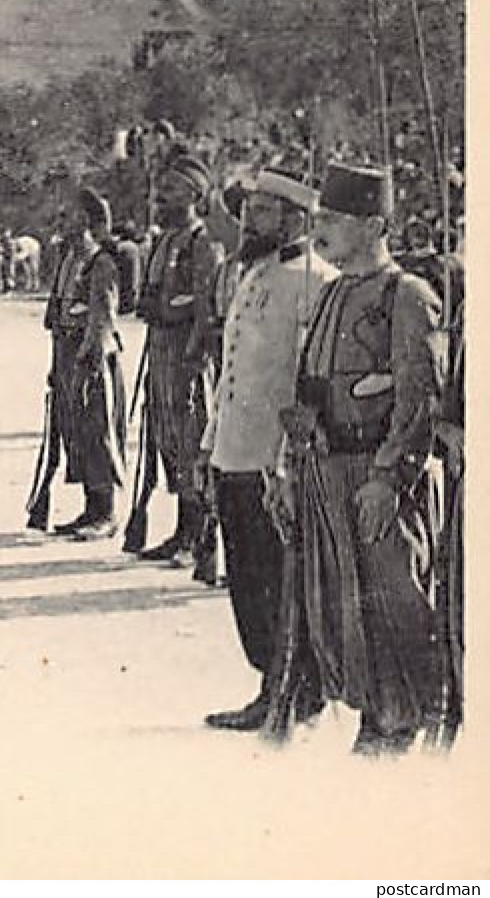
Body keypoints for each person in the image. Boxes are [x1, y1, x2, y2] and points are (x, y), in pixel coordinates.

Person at [269, 162, 444, 754]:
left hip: (372, 476)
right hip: (323, 470)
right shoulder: (330, 292)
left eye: (334, 221)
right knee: (339, 606)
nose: (320, 232)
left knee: (394, 601)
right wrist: (290, 472)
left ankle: (401, 725)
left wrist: (387, 481)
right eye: (319, 220)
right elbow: (308, 386)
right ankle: (376, 715)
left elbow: (418, 402)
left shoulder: (408, 296)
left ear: (373, 226)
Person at [198, 169, 337, 731]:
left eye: (260, 211)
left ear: (294, 220)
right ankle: (269, 681)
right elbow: (232, 372)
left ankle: (296, 688)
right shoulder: (250, 274)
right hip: (234, 451)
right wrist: (211, 444)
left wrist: (286, 459)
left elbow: (308, 382)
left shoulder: (315, 282)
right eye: (248, 209)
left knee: (281, 580)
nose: (247, 220)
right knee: (247, 579)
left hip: (273, 461)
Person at [127, 155, 222, 572]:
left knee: (191, 440)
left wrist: (194, 352)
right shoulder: (164, 241)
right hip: (161, 354)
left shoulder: (203, 243)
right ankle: (182, 531)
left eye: (170, 190)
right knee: (167, 441)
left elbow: (205, 305)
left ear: (194, 195)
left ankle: (199, 538)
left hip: (188, 358)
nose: (159, 198)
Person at [41, 188, 125, 540]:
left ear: (87, 220)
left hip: (90, 360)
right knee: (74, 432)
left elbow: (102, 317)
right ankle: (90, 507)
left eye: (69, 214)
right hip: (65, 357)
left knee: (97, 431)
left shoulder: (100, 263)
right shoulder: (67, 260)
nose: (62, 220)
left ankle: (105, 513)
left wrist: (90, 359)